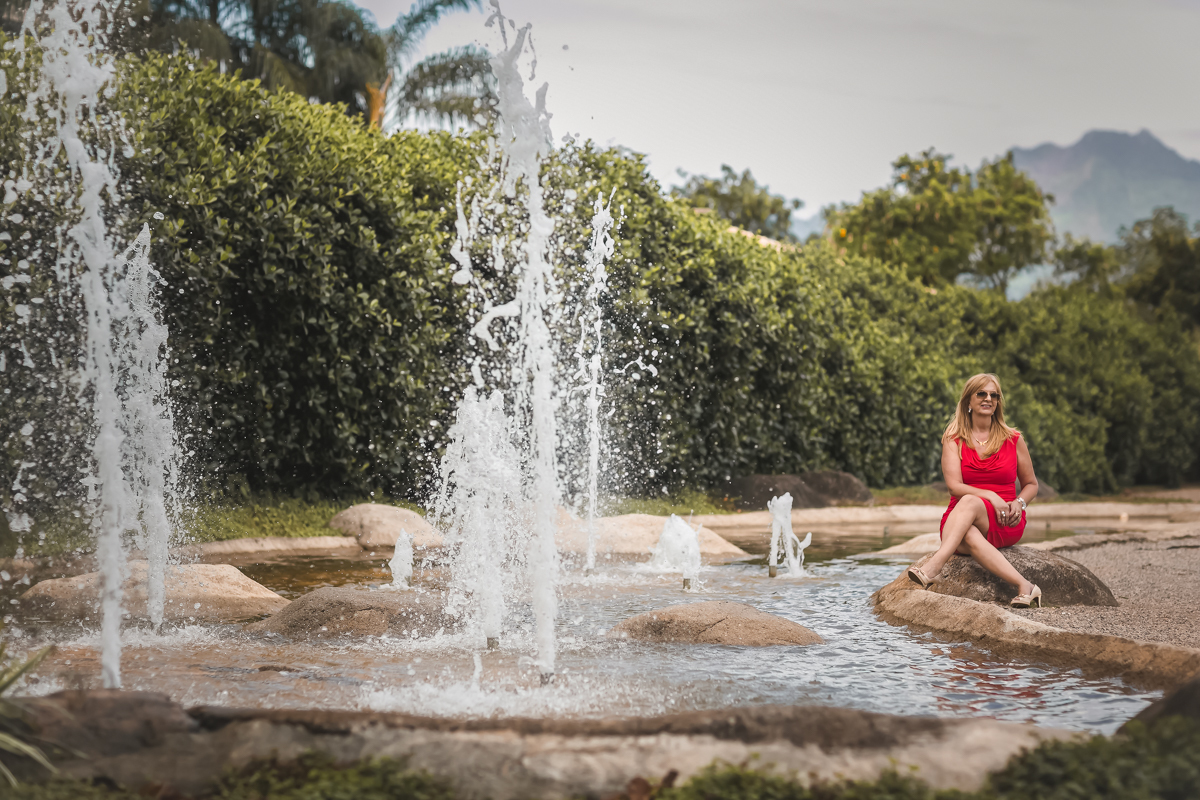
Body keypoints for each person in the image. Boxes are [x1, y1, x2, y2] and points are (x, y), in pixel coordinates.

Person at [906, 373, 1042, 607]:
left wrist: (1019, 503)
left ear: (998, 402)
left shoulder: (1013, 439)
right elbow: (954, 487)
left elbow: (1031, 484)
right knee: (967, 519)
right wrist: (990, 495)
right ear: (968, 401)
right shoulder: (953, 438)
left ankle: (935, 565)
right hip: (959, 517)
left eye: (993, 395)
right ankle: (1026, 586)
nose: (988, 398)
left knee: (969, 504)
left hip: (1003, 519)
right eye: (981, 393)